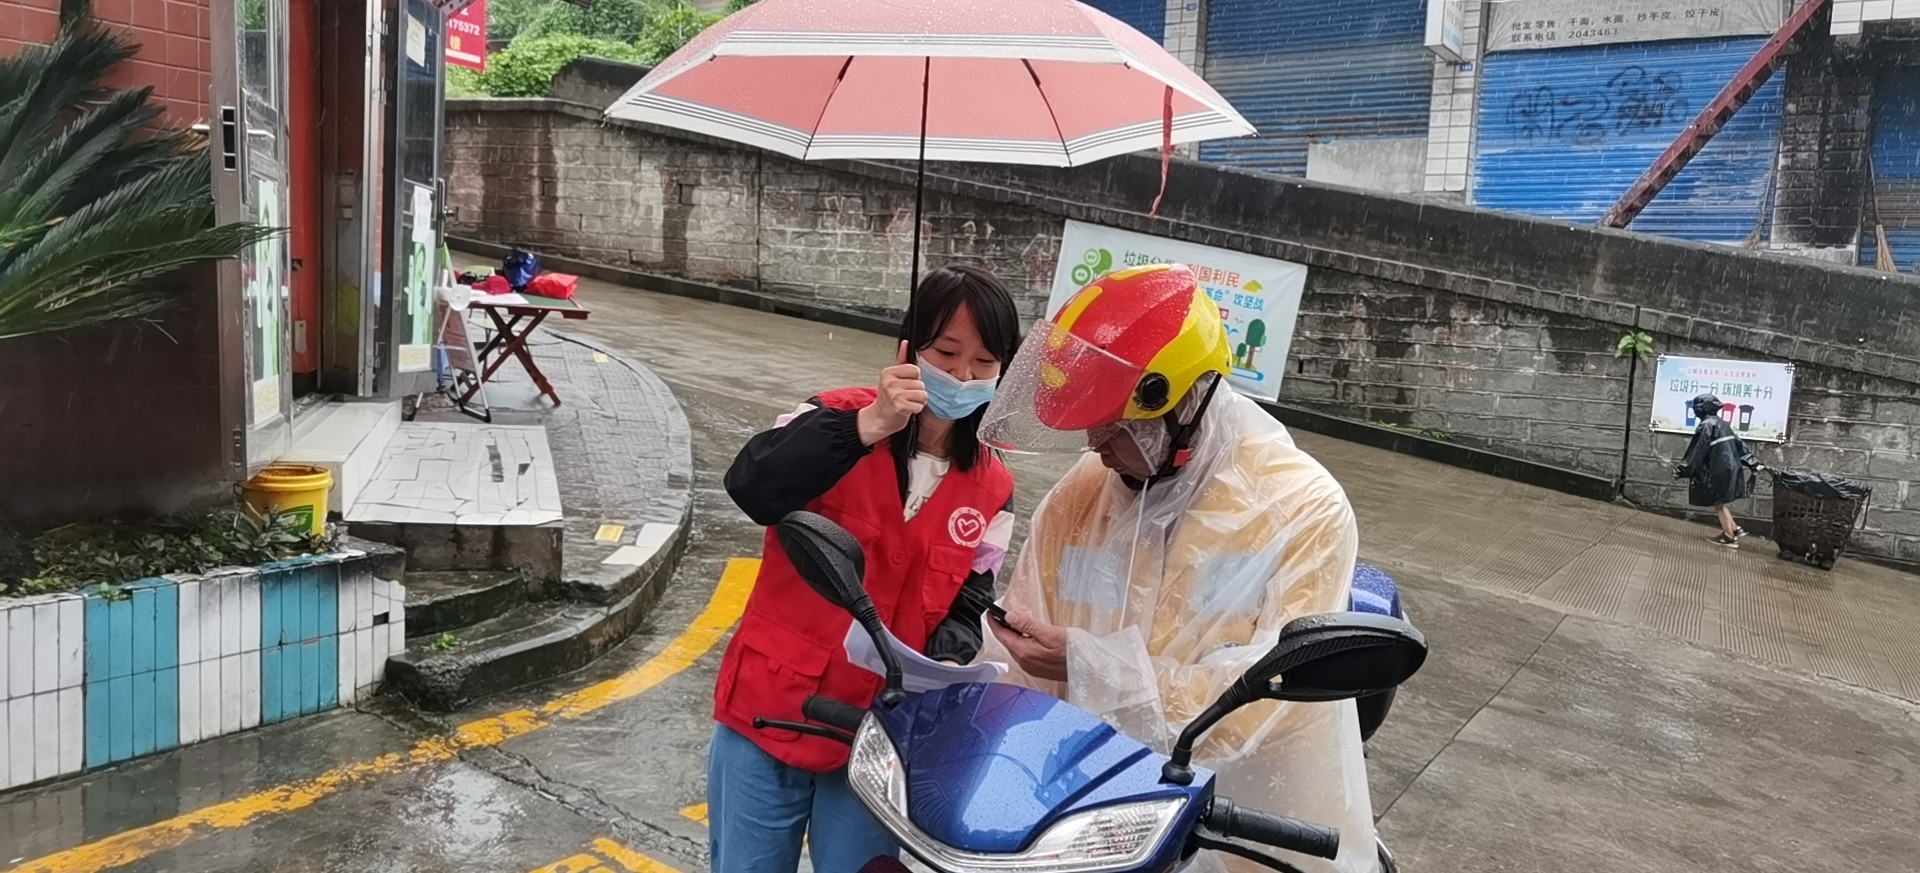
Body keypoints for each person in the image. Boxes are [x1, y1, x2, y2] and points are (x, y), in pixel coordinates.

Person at [974, 263, 1378, 873]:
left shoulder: (1299, 509)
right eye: (1091, 426)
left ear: (1187, 401)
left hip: (1239, 829)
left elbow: (1272, 700)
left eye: (1117, 427)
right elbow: (1015, 666)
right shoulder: (1082, 494)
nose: (1096, 447)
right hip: (1085, 817)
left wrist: (1093, 666)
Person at [707, 264, 1022, 873]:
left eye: (983, 362)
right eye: (945, 353)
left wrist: (950, 658)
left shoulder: (995, 488)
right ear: (908, 350)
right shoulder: (830, 414)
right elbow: (752, 488)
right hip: (770, 704)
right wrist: (869, 424)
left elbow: (969, 600)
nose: (962, 376)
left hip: (880, 737)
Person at [1675, 392, 1764, 548]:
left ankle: (1729, 536)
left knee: (1718, 503)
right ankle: (1734, 528)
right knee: (1720, 501)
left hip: (1718, 468)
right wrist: (1752, 462)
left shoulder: (1706, 425)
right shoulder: (1723, 424)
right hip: (1731, 467)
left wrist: (1683, 470)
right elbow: (1739, 444)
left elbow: (1698, 450)